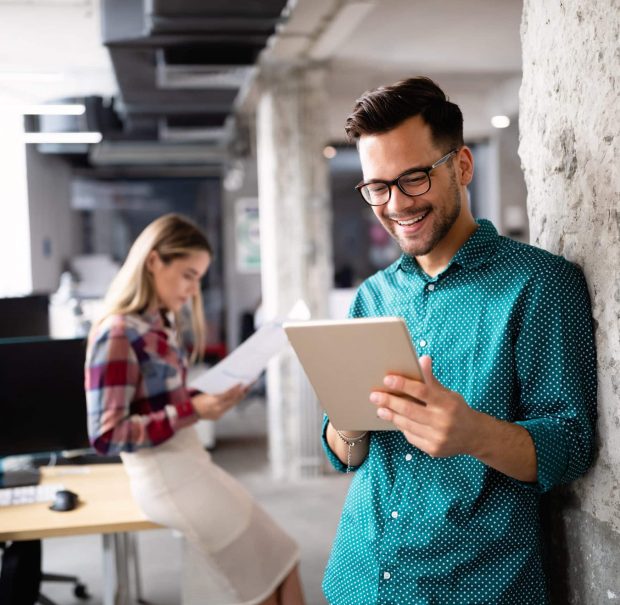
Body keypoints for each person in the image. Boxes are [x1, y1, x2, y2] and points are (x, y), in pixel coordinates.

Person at [321, 77, 597, 605]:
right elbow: (346, 454)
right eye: (377, 186)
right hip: (357, 576)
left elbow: (571, 445)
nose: (395, 203)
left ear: (462, 166)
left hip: (473, 585)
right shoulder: (372, 296)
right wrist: (346, 426)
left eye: (414, 178)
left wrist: (473, 433)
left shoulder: (539, 284)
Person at [85, 213, 304, 605]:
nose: (193, 289)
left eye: (199, 278)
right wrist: (193, 409)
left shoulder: (160, 324)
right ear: (154, 261)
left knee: (284, 557)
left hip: (191, 463)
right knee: (265, 584)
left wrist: (208, 400)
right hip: (166, 477)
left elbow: (162, 399)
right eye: (188, 274)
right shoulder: (117, 333)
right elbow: (107, 434)